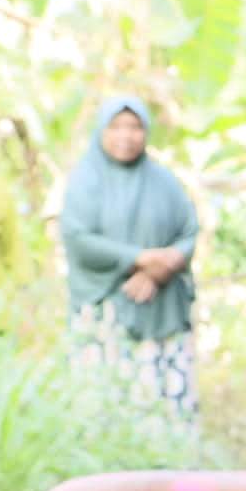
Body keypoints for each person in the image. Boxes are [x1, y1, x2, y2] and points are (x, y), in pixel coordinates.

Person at [60, 96, 199, 421]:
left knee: (164, 405)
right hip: (106, 312)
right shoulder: (85, 180)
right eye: (117, 126)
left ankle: (168, 466)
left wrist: (158, 270)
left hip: (161, 310)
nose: (127, 135)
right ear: (102, 131)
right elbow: (78, 239)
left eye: (135, 126)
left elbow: (189, 230)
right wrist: (138, 258)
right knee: (106, 407)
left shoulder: (163, 181)